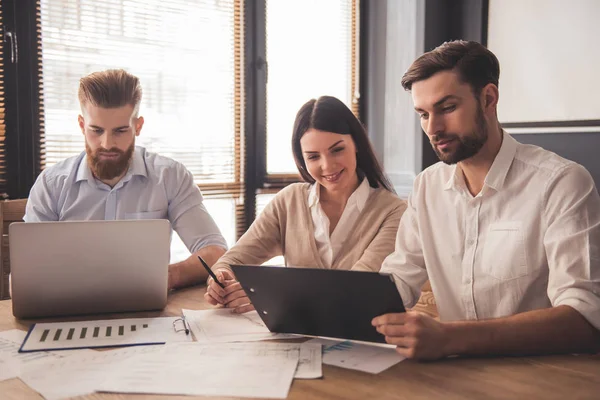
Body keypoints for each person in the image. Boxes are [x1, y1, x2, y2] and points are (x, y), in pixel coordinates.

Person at [372, 40, 600, 360]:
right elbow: (397, 280)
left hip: (542, 376)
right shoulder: (426, 187)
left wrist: (450, 337)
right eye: (423, 114)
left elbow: (584, 318)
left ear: (488, 98)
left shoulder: (561, 183)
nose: (433, 128)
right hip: (454, 374)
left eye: (447, 108)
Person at [24, 69, 227, 290]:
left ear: (137, 126)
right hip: (67, 310)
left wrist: (167, 276)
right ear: (82, 125)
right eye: (96, 130)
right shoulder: (51, 184)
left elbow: (214, 251)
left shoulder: (169, 176)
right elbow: (24, 277)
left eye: (120, 131)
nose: (106, 143)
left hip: (150, 313)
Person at [205, 96, 407, 313]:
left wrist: (266, 294)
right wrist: (221, 280)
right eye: (313, 157)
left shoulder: (393, 211)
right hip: (295, 340)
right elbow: (233, 259)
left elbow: (355, 287)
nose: (327, 166)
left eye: (337, 150)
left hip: (359, 338)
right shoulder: (289, 201)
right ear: (302, 160)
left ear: (356, 144)